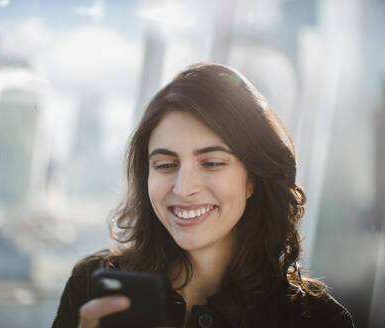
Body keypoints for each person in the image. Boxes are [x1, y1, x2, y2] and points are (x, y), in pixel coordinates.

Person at [52, 63, 354, 328]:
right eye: (166, 165)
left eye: (211, 163)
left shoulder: (316, 320)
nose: (183, 188)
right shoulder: (90, 285)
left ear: (253, 178)